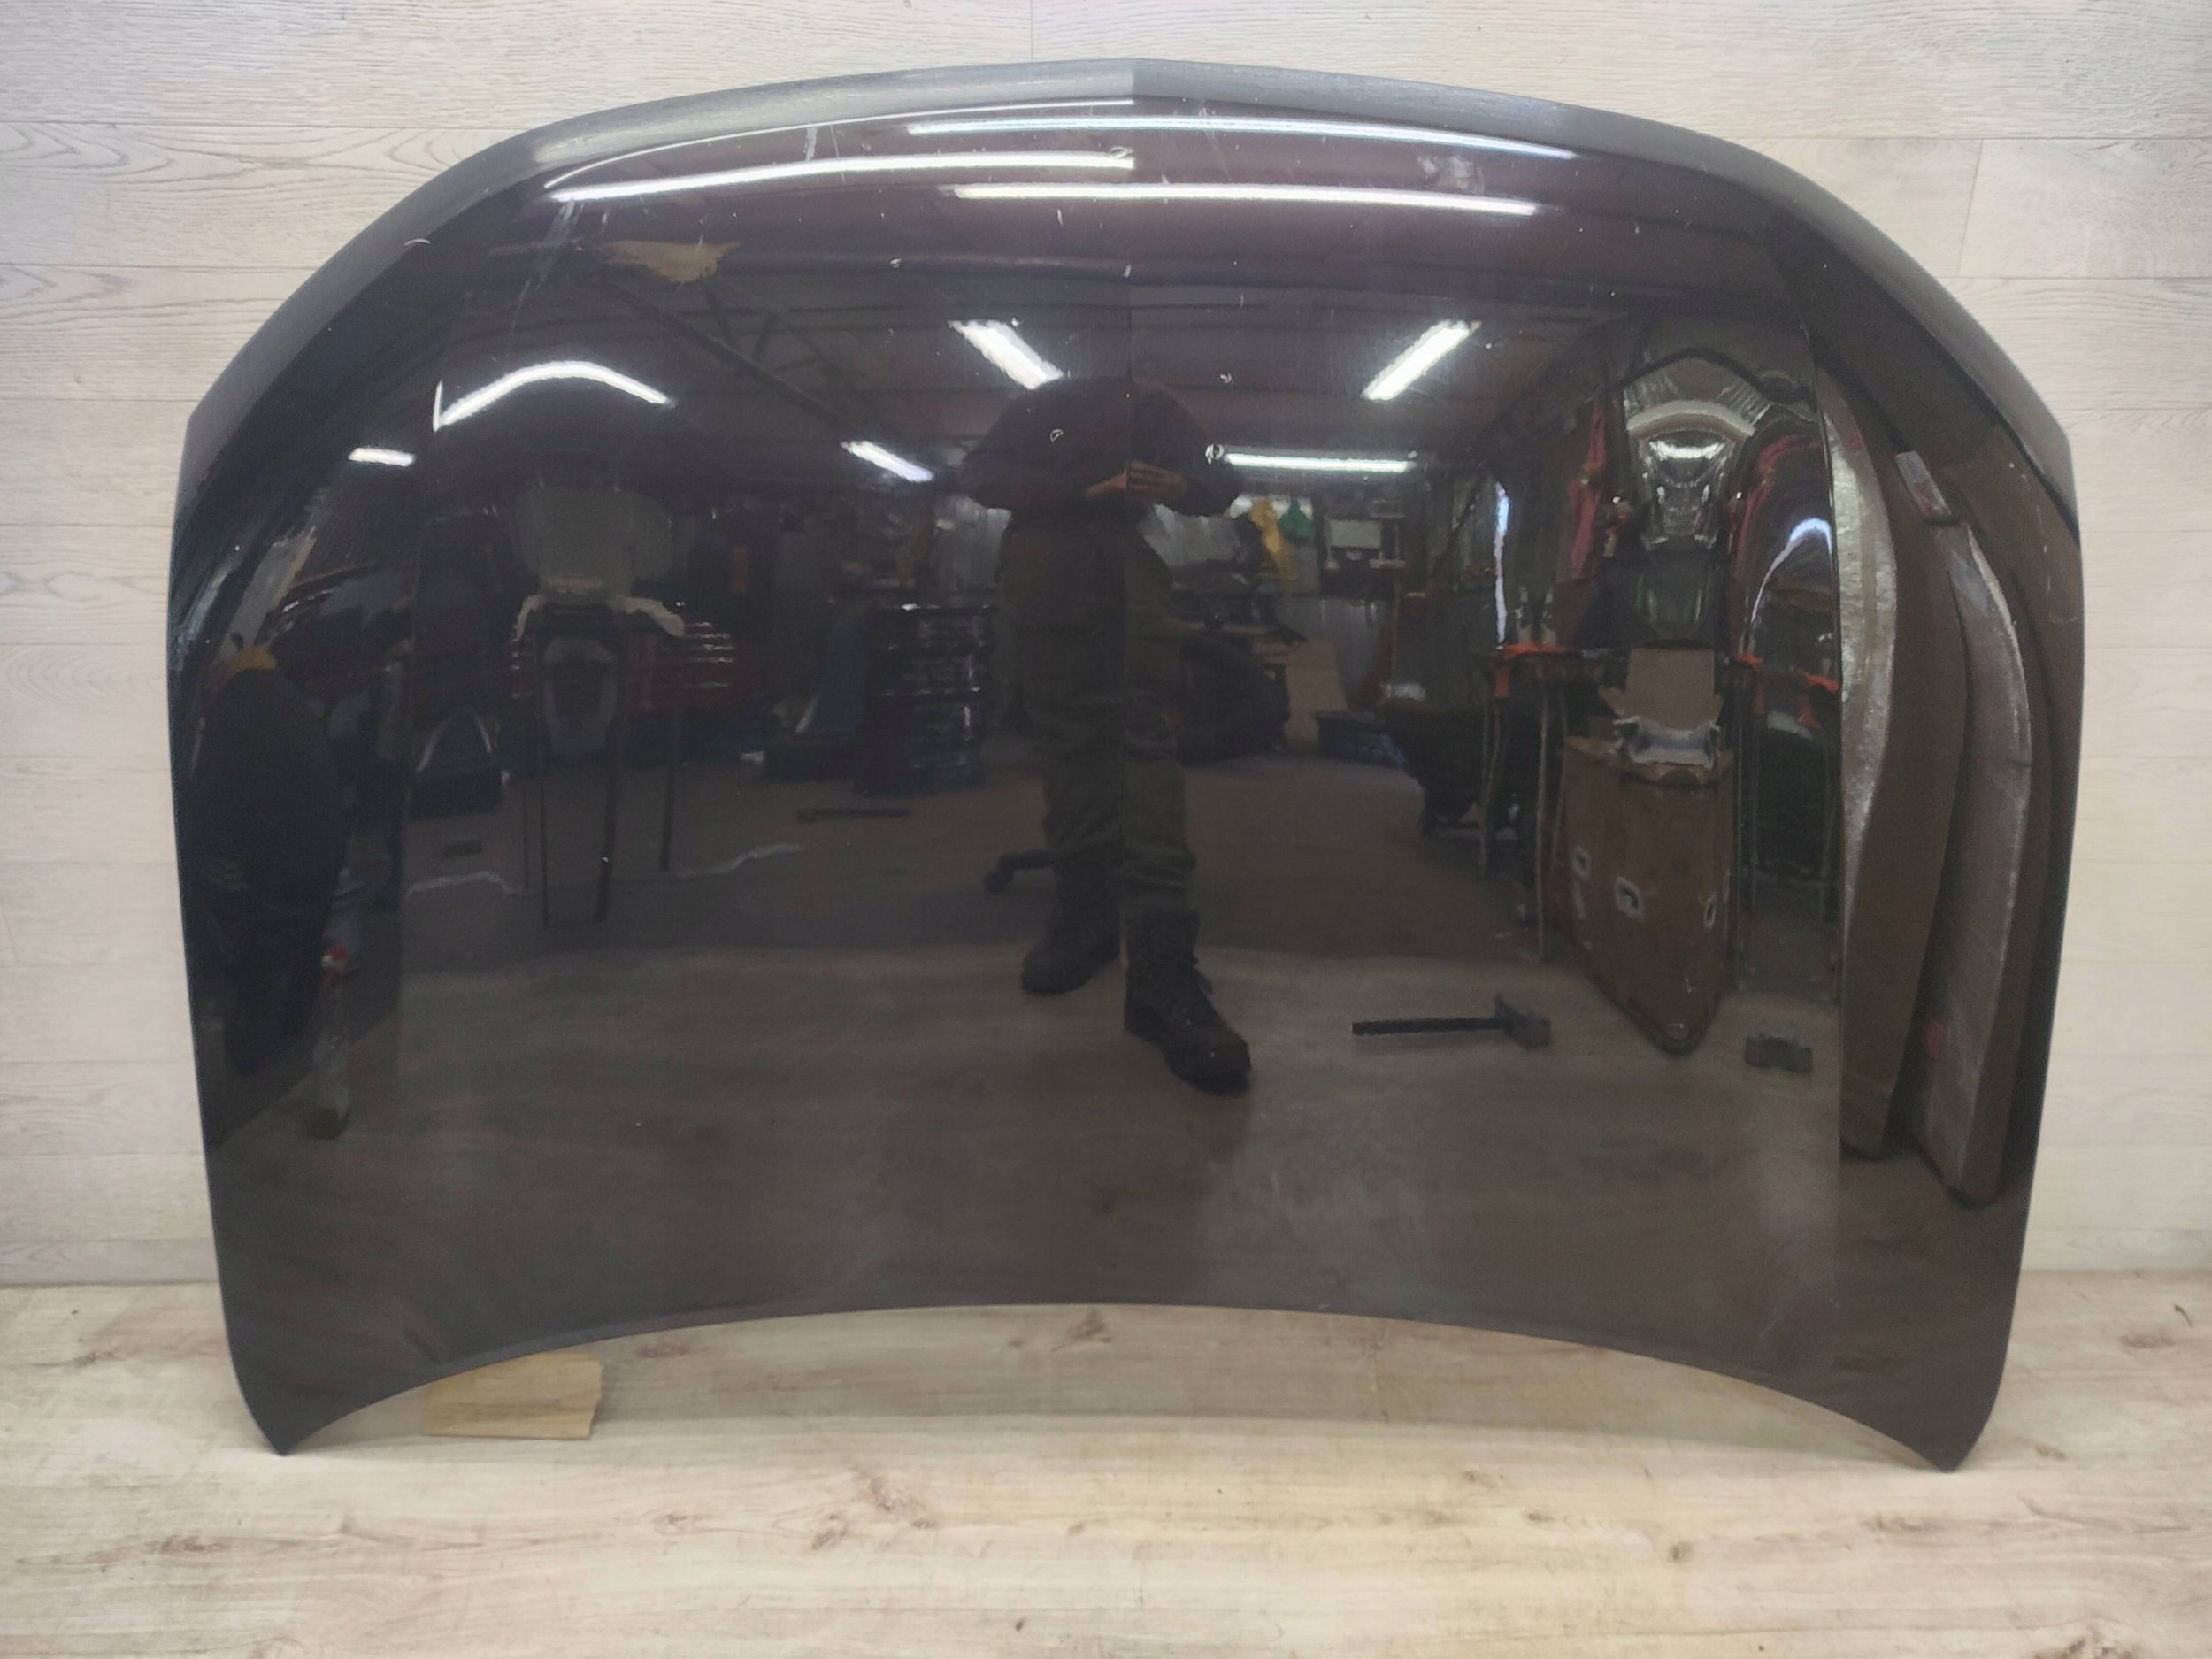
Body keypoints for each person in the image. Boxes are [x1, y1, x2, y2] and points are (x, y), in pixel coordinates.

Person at [959, 376, 1250, 1092]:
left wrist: (1182, 484)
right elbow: (980, 474)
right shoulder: (1035, 406)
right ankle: (1084, 918)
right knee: (1067, 751)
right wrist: (1081, 487)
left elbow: (1224, 477)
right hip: (1044, 577)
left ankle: (1161, 963)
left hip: (1123, 580)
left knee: (1141, 748)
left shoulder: (1153, 405)